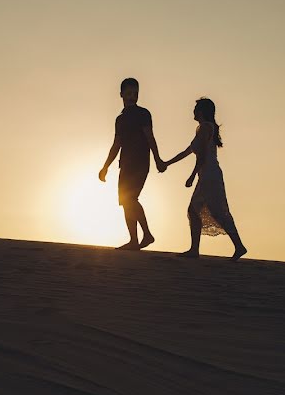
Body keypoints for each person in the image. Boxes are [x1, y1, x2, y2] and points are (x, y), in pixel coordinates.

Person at [163, 98, 247, 260]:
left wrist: (192, 176)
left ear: (201, 111)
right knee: (195, 210)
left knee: (217, 212)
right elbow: (187, 151)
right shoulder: (203, 128)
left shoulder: (205, 128)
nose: (193, 111)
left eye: (195, 109)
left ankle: (238, 246)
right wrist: (166, 163)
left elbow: (201, 155)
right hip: (208, 175)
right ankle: (196, 249)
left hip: (210, 175)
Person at [99, 78, 166, 250]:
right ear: (121, 94)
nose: (131, 96)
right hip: (125, 164)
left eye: (135, 93)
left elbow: (150, 137)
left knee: (131, 199)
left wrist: (158, 159)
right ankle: (134, 240)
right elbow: (116, 144)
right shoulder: (120, 119)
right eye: (128, 93)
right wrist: (105, 167)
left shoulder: (143, 114)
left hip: (140, 162)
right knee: (125, 201)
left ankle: (147, 234)